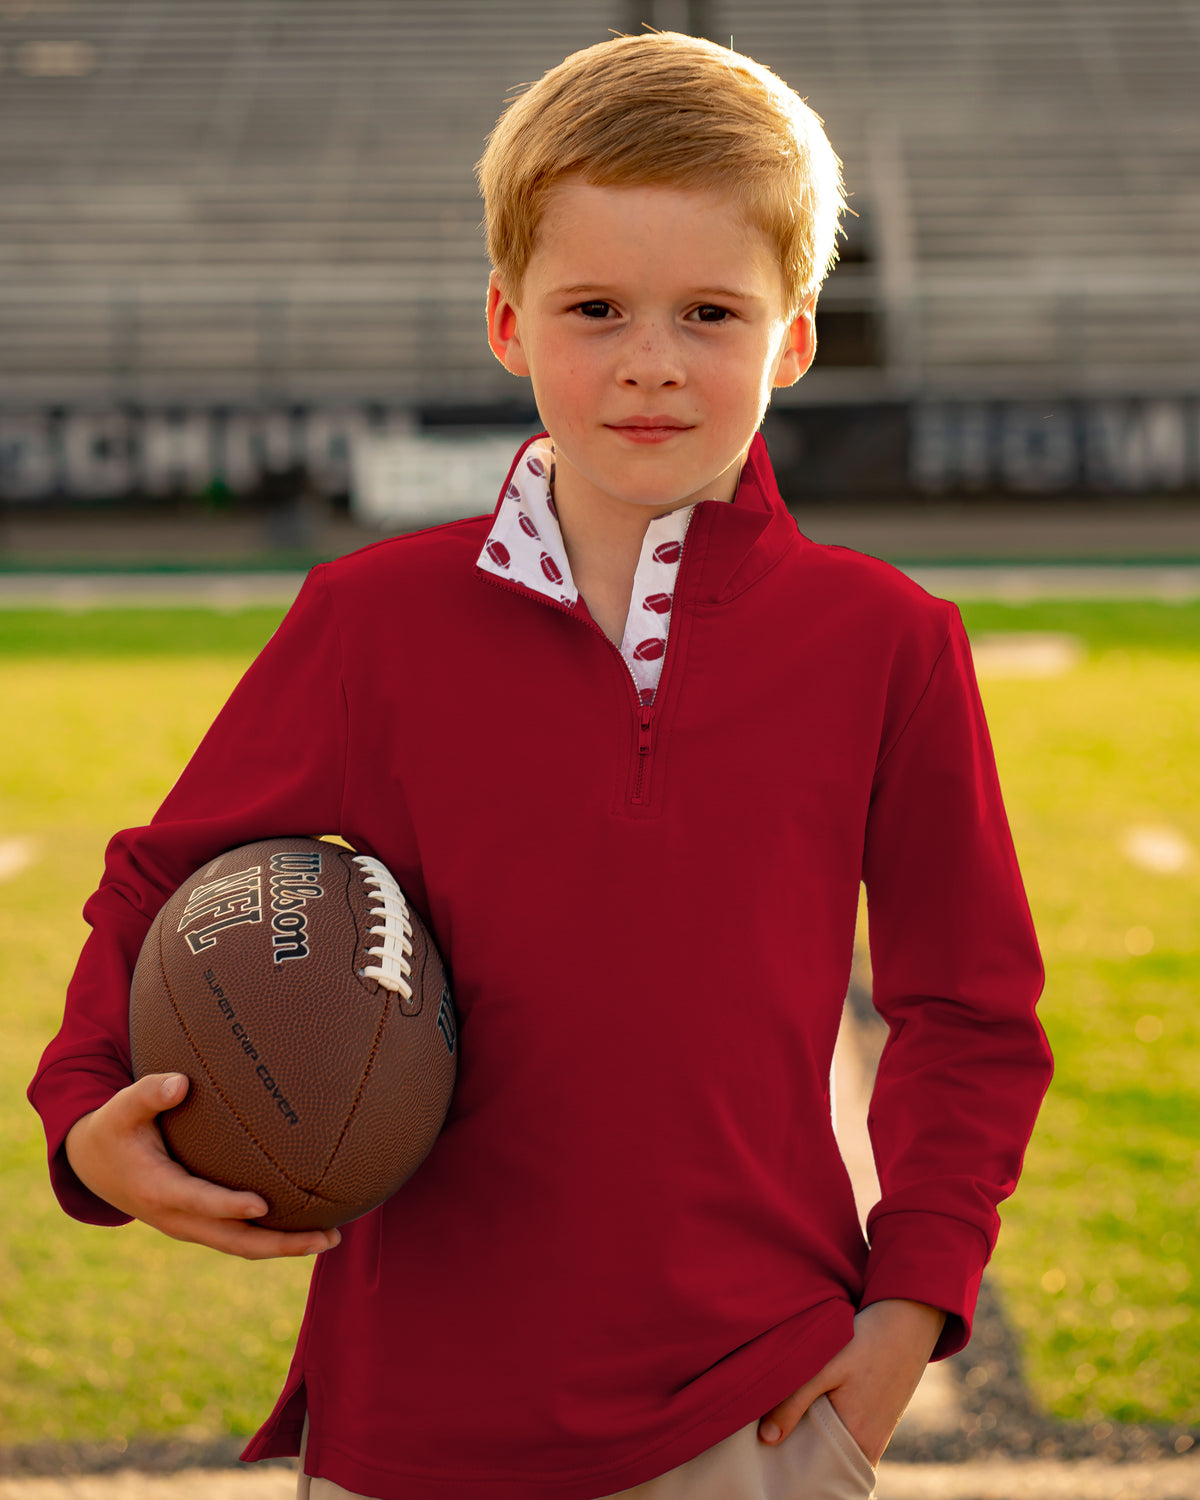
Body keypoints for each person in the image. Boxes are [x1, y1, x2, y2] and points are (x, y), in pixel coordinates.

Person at [28, 30, 1053, 1500]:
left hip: (756, 1401)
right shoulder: (374, 621)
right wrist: (87, 1113)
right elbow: (160, 881)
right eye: (596, 308)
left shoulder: (886, 641)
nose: (651, 360)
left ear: (796, 339)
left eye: (711, 312)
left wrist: (908, 1309)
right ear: (510, 323)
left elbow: (969, 1010)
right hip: (414, 1409)